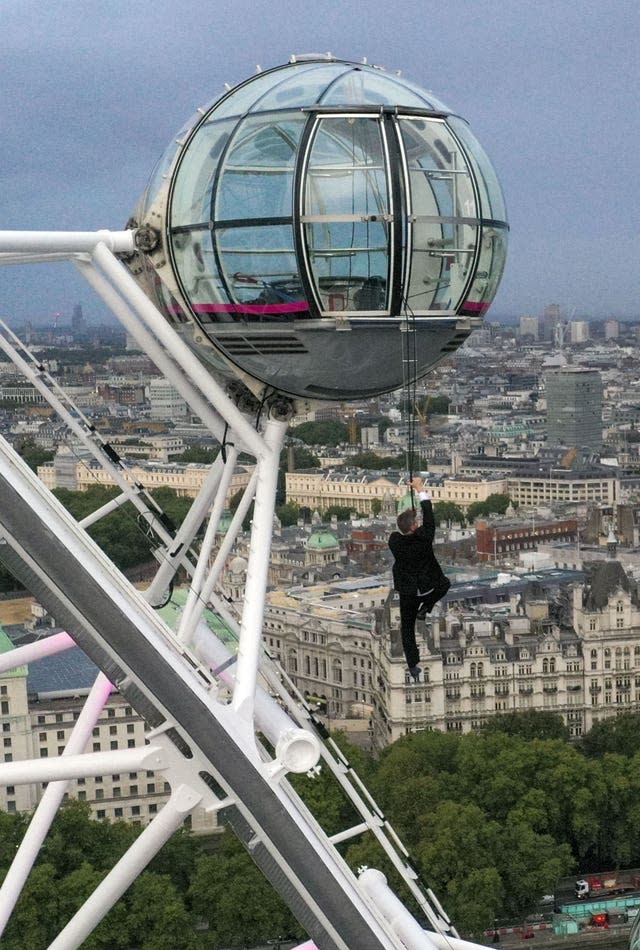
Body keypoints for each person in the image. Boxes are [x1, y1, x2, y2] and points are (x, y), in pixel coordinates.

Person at [388, 476, 450, 679]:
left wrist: (410, 522)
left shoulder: (395, 542)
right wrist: (420, 489)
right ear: (415, 526)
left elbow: (400, 532)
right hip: (426, 587)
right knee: (445, 585)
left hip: (407, 591)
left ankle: (413, 665)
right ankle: (427, 607)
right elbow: (430, 516)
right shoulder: (424, 538)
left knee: (407, 628)